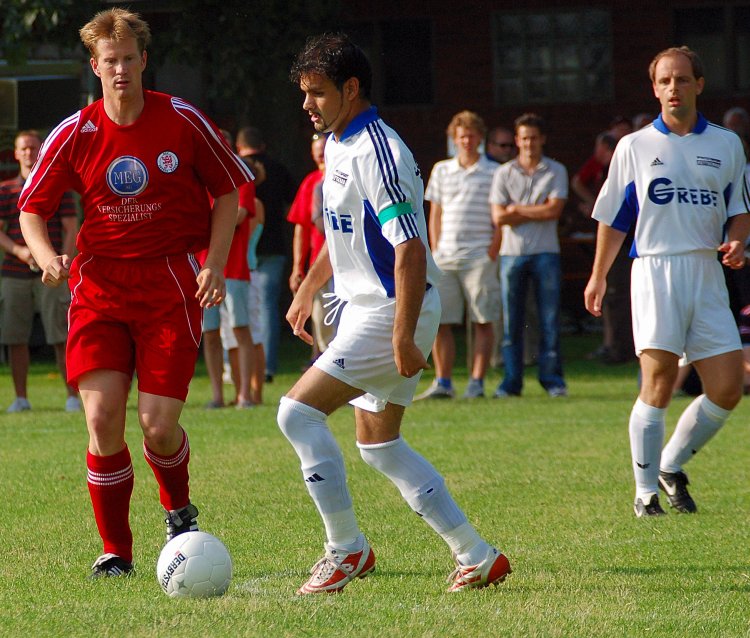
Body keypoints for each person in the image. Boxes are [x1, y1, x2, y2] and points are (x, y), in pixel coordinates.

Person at [18, 8, 252, 577]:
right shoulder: (75, 131)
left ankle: (178, 510)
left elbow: (228, 191)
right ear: (94, 66)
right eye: (110, 60)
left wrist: (214, 264)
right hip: (99, 287)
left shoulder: (182, 120)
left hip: (169, 283)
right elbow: (32, 209)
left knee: (157, 426)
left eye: (129, 58)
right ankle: (116, 550)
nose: (120, 69)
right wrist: (48, 259)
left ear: (144, 61)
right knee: (101, 419)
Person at [282, 32, 510, 595]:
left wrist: (404, 336)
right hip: (369, 308)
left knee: (297, 414)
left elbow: (409, 248)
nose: (307, 103)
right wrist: (308, 287)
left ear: (350, 88)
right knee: (379, 444)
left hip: (388, 311)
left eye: (316, 92)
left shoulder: (377, 150)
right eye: (304, 92)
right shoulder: (338, 142)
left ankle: (346, 550)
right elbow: (345, 235)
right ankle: (477, 555)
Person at [584, 46, 750, 518]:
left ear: (699, 84)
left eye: (682, 79)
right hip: (655, 270)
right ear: (654, 88)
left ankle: (669, 465)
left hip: (707, 272)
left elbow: (740, 209)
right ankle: (644, 495)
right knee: (657, 382)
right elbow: (613, 219)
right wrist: (598, 275)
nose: (673, 88)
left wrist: (738, 242)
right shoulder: (634, 147)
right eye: (664, 81)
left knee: (727, 387)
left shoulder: (727, 144)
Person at [416, 110, 501, 399]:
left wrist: (492, 251)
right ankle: (443, 382)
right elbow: (435, 214)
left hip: (480, 256)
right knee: (440, 321)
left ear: (480, 138)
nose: (466, 141)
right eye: (462, 136)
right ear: (454, 138)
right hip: (446, 256)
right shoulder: (441, 170)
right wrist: (436, 249)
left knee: (482, 320)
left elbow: (499, 217)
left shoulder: (495, 171)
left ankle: (476, 383)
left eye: (471, 136)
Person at [0, 130, 80, 413]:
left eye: (33, 148)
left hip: (53, 274)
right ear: (16, 153)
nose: (28, 153)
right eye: (23, 148)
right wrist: (20, 251)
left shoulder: (58, 186)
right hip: (14, 272)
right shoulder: (5, 190)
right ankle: (21, 398)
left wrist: (62, 263)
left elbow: (71, 227)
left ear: (41, 149)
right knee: (15, 337)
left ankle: (72, 397)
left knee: (61, 335)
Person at [490, 113, 569, 398]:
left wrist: (516, 210)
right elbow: (498, 217)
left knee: (549, 320)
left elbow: (554, 211)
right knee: (511, 322)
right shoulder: (503, 173)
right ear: (517, 140)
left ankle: (553, 380)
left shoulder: (556, 170)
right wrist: (536, 210)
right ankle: (511, 382)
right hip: (511, 253)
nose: (529, 143)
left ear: (542, 139)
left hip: (546, 252)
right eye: (524, 138)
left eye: (534, 138)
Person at [200, 130, 257, 410]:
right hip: (202, 269)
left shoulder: (238, 176)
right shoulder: (198, 178)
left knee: (240, 329)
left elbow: (239, 214)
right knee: (210, 334)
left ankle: (245, 394)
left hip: (233, 269)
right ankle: (217, 395)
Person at [236, 126, 296, 382]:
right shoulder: (277, 168)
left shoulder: (235, 170)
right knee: (267, 308)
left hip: (239, 254)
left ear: (239, 147)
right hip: (272, 245)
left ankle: (236, 370)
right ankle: (268, 367)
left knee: (238, 315)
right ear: (262, 145)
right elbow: (293, 205)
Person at [287, 133, 335, 365]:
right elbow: (301, 228)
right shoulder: (312, 183)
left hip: (348, 261)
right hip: (320, 261)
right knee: (321, 316)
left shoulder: (344, 176)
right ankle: (321, 362)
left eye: (323, 151)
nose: (320, 157)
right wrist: (298, 267)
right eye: (316, 153)